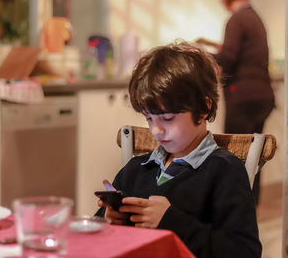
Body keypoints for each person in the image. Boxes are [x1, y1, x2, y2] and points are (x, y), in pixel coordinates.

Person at [95, 41, 261, 258]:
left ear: (203, 109)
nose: (156, 130)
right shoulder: (135, 170)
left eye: (167, 118)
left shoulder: (225, 171)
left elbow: (244, 252)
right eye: (148, 118)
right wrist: (107, 222)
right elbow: (94, 239)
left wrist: (171, 222)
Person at [196, 0, 275, 205]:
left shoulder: (236, 19)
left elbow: (228, 59)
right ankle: (251, 207)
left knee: (236, 156)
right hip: (262, 97)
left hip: (244, 97)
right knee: (254, 155)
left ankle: (236, 210)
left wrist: (200, 54)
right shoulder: (254, 17)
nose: (221, 1)